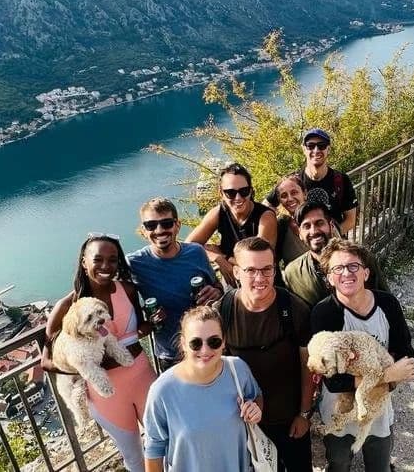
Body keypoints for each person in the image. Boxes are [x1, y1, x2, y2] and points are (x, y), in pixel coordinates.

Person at [41, 235, 157, 472]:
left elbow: (141, 326)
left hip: (143, 377)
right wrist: (81, 363)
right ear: (84, 262)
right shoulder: (66, 307)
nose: (106, 266)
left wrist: (151, 324)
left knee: (165, 443)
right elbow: (46, 361)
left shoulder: (128, 289)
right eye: (98, 259)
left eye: (112, 260)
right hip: (107, 394)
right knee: (133, 457)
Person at [309, 239, 414, 472]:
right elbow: (334, 381)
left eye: (353, 266)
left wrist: (381, 376)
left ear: (366, 272)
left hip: (377, 406)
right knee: (339, 462)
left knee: (379, 464)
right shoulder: (324, 313)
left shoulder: (387, 304)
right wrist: (388, 375)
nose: (346, 273)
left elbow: (408, 358)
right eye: (338, 268)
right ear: (329, 278)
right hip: (338, 407)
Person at [220, 237, 314, 471]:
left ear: (275, 270)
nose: (260, 278)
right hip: (245, 422)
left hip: (289, 418)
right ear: (236, 272)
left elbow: (308, 367)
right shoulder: (222, 312)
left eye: (266, 269)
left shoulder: (294, 309)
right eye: (251, 270)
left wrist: (304, 414)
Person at [143, 305, 263, 472]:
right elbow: (153, 448)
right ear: (184, 344)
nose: (205, 350)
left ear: (224, 342)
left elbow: (256, 397)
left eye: (214, 341)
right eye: (196, 343)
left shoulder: (238, 369)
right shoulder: (162, 391)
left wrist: (255, 410)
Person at [127, 197, 223, 372]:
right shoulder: (134, 263)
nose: (160, 230)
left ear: (177, 225)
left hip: (207, 348)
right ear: (143, 231)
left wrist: (215, 291)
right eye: (151, 225)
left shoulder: (196, 252)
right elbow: (105, 286)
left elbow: (218, 286)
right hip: (171, 356)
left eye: (166, 223)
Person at [186, 163, 277, 287]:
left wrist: (225, 257)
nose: (238, 198)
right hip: (234, 280)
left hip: (263, 282)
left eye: (244, 191)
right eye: (230, 193)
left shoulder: (265, 217)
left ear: (251, 191)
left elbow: (257, 262)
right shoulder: (219, 213)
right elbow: (189, 246)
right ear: (221, 193)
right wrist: (216, 257)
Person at [283, 201, 389, 308]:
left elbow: (385, 301)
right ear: (300, 233)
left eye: (319, 223)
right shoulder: (293, 274)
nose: (314, 231)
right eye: (306, 226)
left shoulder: (362, 258)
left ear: (331, 226)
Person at [265, 129, 358, 237]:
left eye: (321, 145)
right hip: (303, 245)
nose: (316, 150)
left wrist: (329, 236)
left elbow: (351, 220)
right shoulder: (293, 181)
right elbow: (267, 205)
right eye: (311, 146)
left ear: (328, 149)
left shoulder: (341, 180)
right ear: (304, 149)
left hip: (333, 244)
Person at [271, 172, 311, 268]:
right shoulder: (281, 227)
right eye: (284, 196)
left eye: (294, 192)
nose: (289, 198)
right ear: (280, 201)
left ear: (304, 194)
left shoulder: (321, 217)